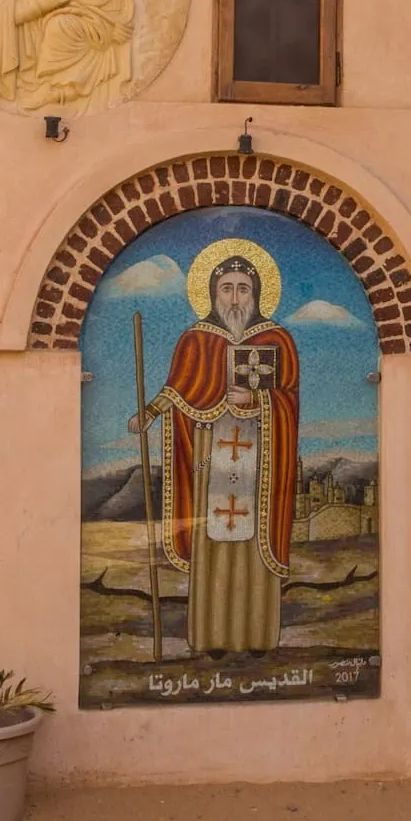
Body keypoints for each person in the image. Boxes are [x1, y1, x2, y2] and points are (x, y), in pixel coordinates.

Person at [130, 251, 299, 653]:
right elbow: (179, 388)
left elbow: (289, 399)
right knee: (214, 537)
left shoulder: (277, 340)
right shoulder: (196, 339)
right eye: (227, 288)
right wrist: (151, 412)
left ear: (257, 294)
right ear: (212, 293)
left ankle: (257, 638)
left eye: (244, 288)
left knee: (252, 544)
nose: (236, 298)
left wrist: (259, 399)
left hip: (261, 463)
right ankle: (211, 639)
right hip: (211, 463)